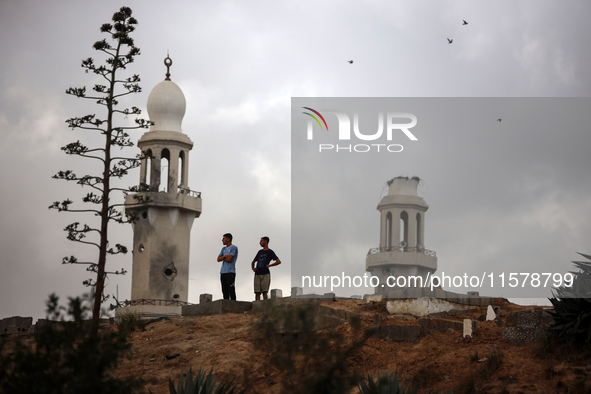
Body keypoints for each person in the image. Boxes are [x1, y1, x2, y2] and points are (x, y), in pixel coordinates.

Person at [251, 236, 281, 301]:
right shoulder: (260, 252)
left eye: (261, 241)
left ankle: (265, 305)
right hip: (257, 273)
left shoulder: (270, 252)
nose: (260, 242)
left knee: (265, 291)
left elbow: (278, 261)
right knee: (257, 292)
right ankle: (257, 305)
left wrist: (270, 265)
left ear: (265, 241)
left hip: (265, 273)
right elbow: (253, 261)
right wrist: (253, 268)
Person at [217, 233, 238, 300]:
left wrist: (223, 257)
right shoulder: (223, 249)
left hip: (230, 271)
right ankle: (226, 305)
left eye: (224, 238)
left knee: (231, 289)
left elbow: (229, 259)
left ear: (228, 239)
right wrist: (225, 256)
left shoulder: (233, 247)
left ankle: (234, 305)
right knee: (224, 290)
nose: (222, 240)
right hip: (223, 272)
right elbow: (218, 259)